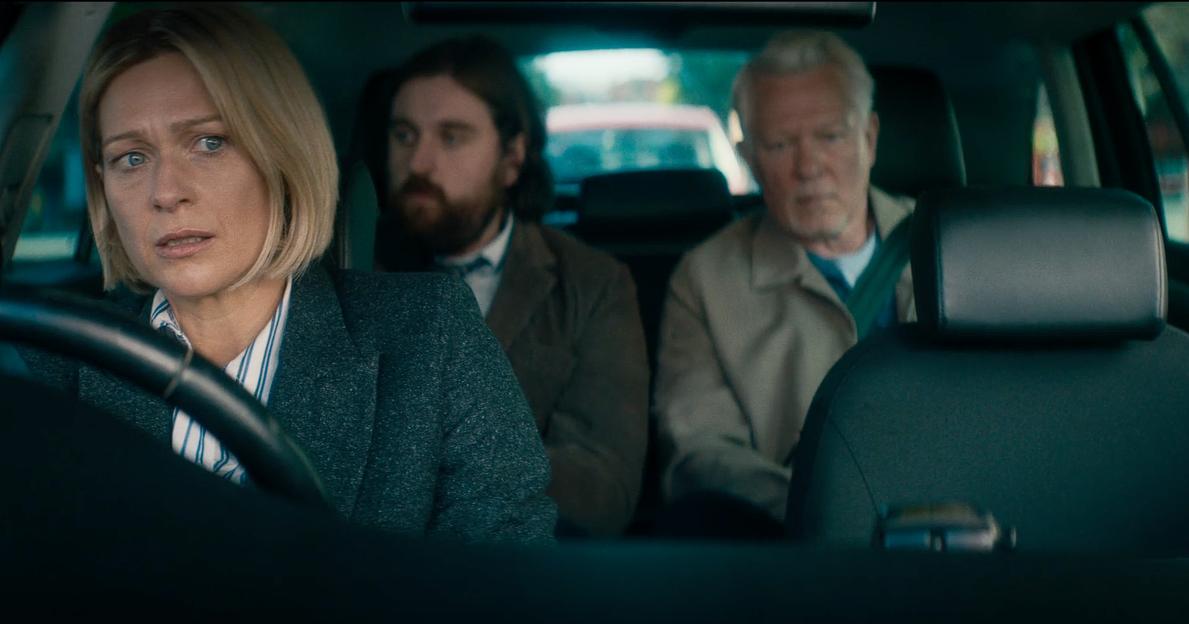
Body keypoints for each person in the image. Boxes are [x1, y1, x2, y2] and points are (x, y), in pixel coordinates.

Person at [19, 4, 556, 544]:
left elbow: (506, 568)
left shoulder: (431, 334)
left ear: (282, 155)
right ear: (104, 186)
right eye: (132, 158)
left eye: (209, 143)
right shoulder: (50, 360)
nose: (165, 192)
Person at [360, 36, 649, 537]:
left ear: (512, 157)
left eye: (452, 137)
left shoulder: (592, 283)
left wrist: (430, 458)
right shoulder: (351, 268)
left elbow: (604, 489)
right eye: (404, 135)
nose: (420, 163)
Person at [654, 30, 917, 529]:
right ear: (749, 158)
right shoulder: (706, 279)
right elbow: (701, 453)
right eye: (779, 144)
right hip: (795, 542)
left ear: (869, 138)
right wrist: (825, 518)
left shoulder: (955, 248)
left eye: (830, 136)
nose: (808, 166)